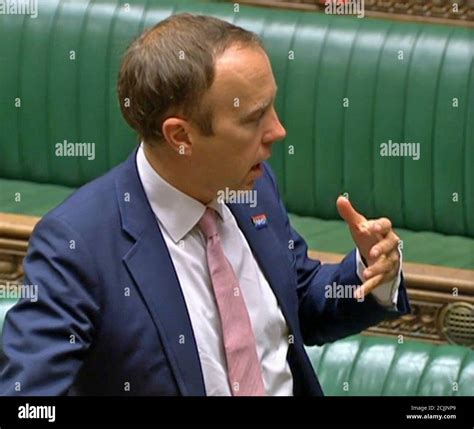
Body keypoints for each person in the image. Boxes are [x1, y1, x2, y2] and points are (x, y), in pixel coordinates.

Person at [0, 13, 409, 396]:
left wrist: (369, 270)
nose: (278, 131)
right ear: (181, 136)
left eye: (272, 105)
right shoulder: (78, 247)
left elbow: (297, 300)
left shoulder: (252, 185)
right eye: (254, 117)